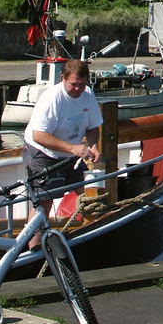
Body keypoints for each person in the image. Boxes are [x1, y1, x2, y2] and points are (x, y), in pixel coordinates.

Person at [22, 58, 102, 248]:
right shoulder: (52, 99)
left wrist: (94, 146)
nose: (78, 89)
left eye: (82, 84)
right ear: (63, 78)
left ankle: (94, 239)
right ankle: (32, 249)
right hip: (43, 154)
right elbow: (39, 135)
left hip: (71, 155)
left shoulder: (87, 95)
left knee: (90, 195)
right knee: (43, 203)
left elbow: (93, 126)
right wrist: (72, 148)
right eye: (73, 84)